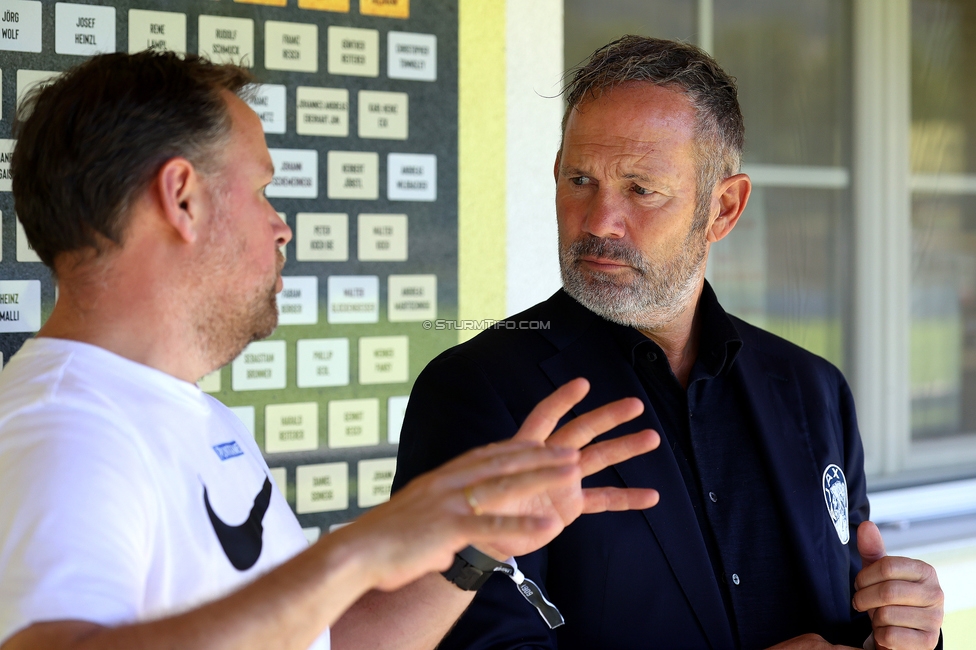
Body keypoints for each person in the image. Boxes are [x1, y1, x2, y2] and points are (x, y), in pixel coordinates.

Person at [0, 51, 665, 650]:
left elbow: (322, 643)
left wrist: (477, 548)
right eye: (261, 190)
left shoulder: (183, 413)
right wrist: (359, 551)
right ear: (181, 198)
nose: (281, 226)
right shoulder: (64, 427)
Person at [389, 36, 945, 650]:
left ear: (724, 209)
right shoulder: (477, 390)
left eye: (641, 189)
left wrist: (905, 632)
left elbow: (851, 611)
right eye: (579, 179)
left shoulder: (815, 390)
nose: (598, 221)